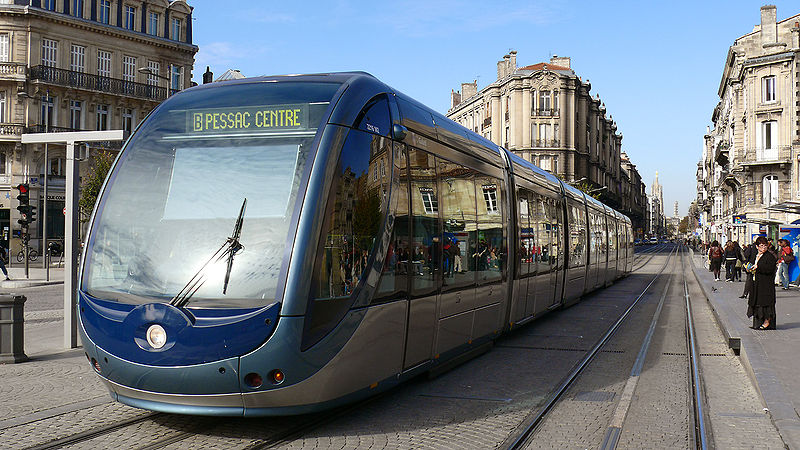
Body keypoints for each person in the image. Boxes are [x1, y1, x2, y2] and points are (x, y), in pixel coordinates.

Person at [747, 236, 777, 330]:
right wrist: (749, 268)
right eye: (761, 246)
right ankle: (758, 321)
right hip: (756, 283)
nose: (763, 248)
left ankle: (767, 321)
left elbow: (770, 269)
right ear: (757, 246)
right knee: (757, 302)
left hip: (766, 284)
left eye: (765, 246)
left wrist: (758, 268)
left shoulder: (769, 256)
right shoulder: (756, 255)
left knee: (765, 303)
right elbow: (751, 264)